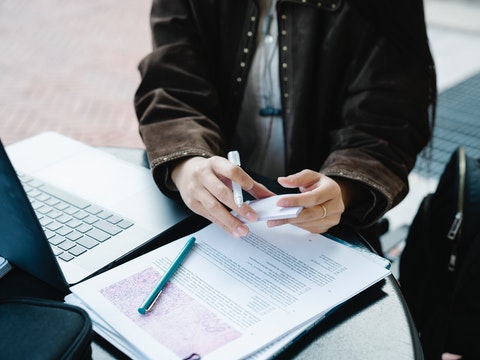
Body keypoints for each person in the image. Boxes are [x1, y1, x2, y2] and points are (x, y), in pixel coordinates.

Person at [134, 0, 436, 253]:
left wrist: (344, 188)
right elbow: (170, 84)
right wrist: (187, 163)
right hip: (204, 218)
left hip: (329, 234)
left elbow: (389, 122)